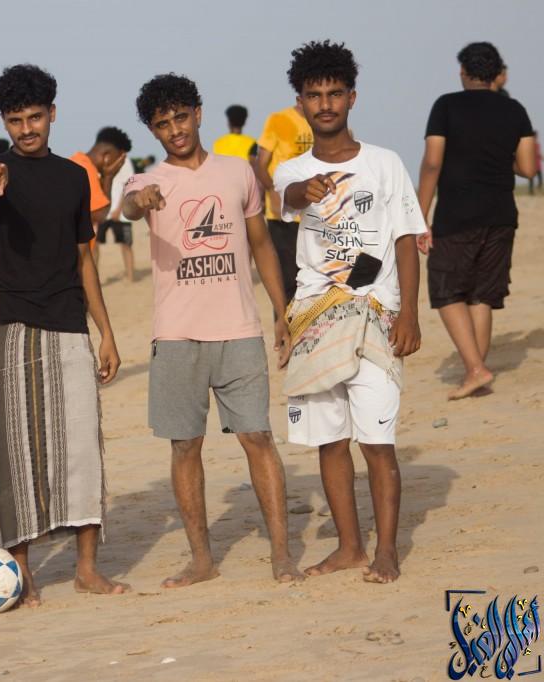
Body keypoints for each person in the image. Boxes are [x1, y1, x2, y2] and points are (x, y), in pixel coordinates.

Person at [123, 73, 301, 586]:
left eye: (181, 117)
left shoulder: (237, 171)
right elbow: (129, 207)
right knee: (185, 446)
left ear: (198, 114)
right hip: (176, 335)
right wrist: (144, 199)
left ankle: (282, 555)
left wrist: (282, 311)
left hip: (239, 329)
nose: (175, 129)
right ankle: (201, 559)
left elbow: (261, 244)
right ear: (152, 130)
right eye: (163, 124)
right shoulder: (146, 180)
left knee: (258, 436)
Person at [0, 64, 127, 605]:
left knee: (82, 443)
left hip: (67, 320)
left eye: (34, 117)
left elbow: (84, 258)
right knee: (14, 447)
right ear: (4, 122)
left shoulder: (74, 177)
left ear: (52, 114)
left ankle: (87, 567)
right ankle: (21, 572)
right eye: (15, 120)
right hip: (8, 321)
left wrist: (106, 332)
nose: (26, 129)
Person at [274, 40, 425, 584]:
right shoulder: (291, 169)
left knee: (378, 443)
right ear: (300, 103)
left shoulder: (385, 163)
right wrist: (304, 190)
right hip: (316, 319)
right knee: (330, 441)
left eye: (335, 93)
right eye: (314, 95)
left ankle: (387, 551)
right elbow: (287, 200)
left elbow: (406, 239)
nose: (325, 104)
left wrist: (410, 315)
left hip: (377, 316)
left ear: (352, 97)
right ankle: (349, 547)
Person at [416, 41, 536, 400]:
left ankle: (475, 369)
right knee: (482, 295)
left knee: (446, 290)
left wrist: (419, 214)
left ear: (463, 72)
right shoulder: (515, 109)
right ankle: (477, 371)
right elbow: (528, 168)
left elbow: (432, 162)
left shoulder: (446, 105)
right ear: (497, 73)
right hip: (501, 216)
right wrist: (496, 156)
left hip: (458, 214)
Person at [253, 100, 314, 304]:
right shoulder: (278, 120)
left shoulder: (322, 122)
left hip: (314, 216)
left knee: (313, 283)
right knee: (286, 282)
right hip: (282, 217)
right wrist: (272, 191)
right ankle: (283, 322)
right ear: (299, 97)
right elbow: (260, 165)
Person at [90, 127, 136, 282]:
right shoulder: (96, 163)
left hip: (120, 214)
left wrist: (118, 209)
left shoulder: (126, 162)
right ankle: (94, 278)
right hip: (102, 211)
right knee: (94, 245)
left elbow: (128, 186)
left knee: (126, 245)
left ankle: (130, 277)